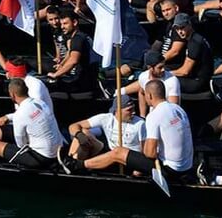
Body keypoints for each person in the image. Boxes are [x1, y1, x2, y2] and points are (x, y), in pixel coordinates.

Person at [59, 80, 194, 182]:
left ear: (150, 95)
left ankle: (78, 166)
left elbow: (150, 154)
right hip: (187, 165)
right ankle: (71, 163)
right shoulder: (178, 109)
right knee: (87, 135)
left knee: (118, 152)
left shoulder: (154, 116)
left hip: (168, 170)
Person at [66, 94, 146, 162]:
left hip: (128, 160)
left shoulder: (140, 124)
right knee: (83, 132)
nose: (134, 112)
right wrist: (80, 135)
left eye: (134, 108)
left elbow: (144, 150)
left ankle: (78, 164)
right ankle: (72, 161)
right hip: (110, 155)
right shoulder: (106, 118)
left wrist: (138, 171)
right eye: (129, 110)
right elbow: (73, 126)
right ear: (117, 111)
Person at [119, 49, 181, 116]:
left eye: (163, 66)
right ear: (150, 68)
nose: (163, 69)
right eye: (160, 67)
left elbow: (173, 108)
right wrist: (143, 115)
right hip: (152, 117)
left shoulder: (172, 81)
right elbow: (142, 93)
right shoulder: (143, 77)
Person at [45, 9, 93, 92]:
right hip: (82, 78)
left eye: (65, 24)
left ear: (74, 22)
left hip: (80, 82)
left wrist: (55, 75)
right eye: (62, 24)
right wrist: (62, 66)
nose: (62, 27)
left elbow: (73, 60)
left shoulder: (78, 39)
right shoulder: (80, 36)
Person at [169, 13, 214, 94]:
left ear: (189, 25)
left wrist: (165, 74)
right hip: (200, 77)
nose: (180, 32)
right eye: (177, 29)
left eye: (182, 28)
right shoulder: (196, 38)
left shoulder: (194, 43)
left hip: (198, 82)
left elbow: (185, 71)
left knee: (162, 81)